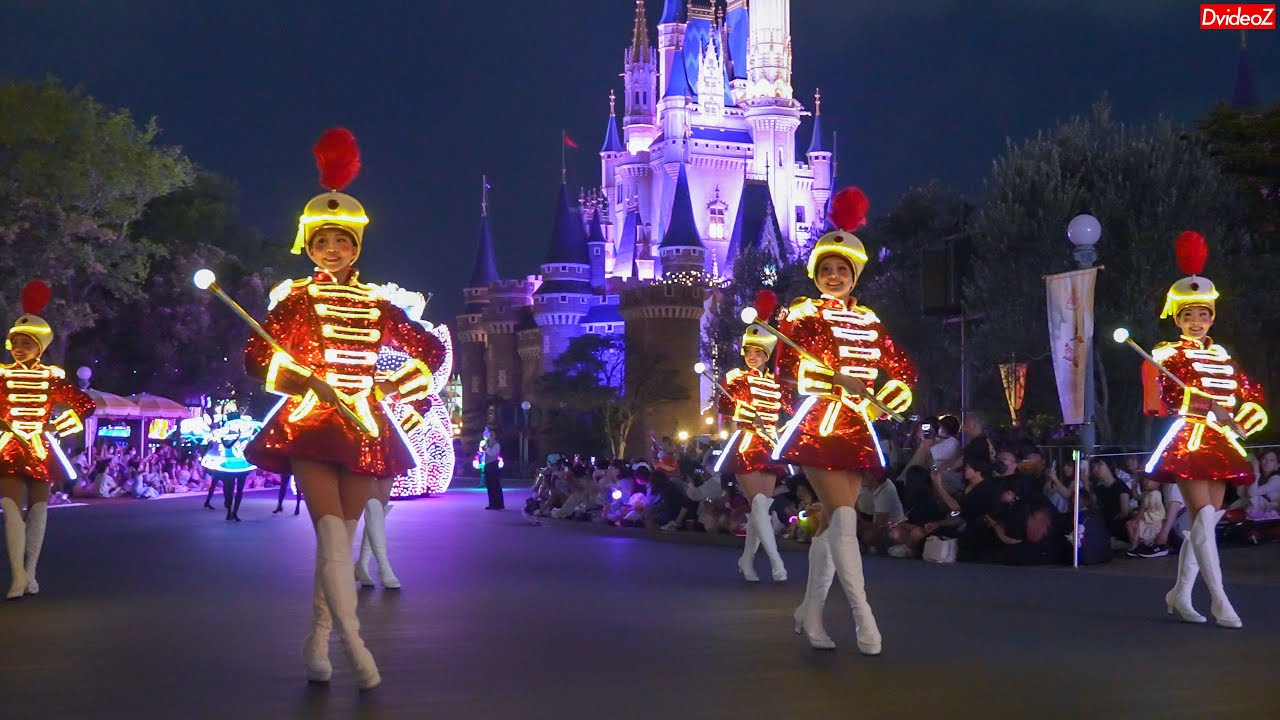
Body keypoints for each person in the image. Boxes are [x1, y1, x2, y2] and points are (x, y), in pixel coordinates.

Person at [241, 129, 446, 688]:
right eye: (322, 242)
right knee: (332, 538)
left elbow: (428, 349)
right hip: (312, 425)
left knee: (343, 543)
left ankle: (316, 639)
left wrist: (389, 391)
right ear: (308, 246)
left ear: (356, 247)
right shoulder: (295, 300)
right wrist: (306, 381)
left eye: (343, 242)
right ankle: (356, 648)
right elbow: (257, 355)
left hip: (363, 428)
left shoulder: (377, 303)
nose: (332, 251)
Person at [773, 187, 917, 654]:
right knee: (846, 521)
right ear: (816, 273)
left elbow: (904, 372)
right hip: (818, 425)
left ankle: (810, 614)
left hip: (856, 428)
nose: (834, 276)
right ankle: (864, 619)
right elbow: (786, 369)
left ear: (854, 275)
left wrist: (879, 400)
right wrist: (836, 380)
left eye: (842, 269)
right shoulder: (800, 314)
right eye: (827, 269)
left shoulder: (871, 321)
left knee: (832, 528)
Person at [1146, 231, 1267, 629]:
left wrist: (1245, 413)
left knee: (1208, 520)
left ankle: (1179, 594)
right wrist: (1207, 404)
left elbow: (1251, 391)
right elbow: (1169, 395)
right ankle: (1219, 600)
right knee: (1201, 520)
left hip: (1221, 441)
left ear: (1211, 317)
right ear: (1177, 318)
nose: (1196, 322)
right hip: (1190, 441)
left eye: (1203, 315)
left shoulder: (1222, 355)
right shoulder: (1168, 354)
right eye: (1188, 315)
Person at [0, 281, 96, 599]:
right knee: (11, 509)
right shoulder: (2, 375)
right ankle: (16, 575)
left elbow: (85, 403)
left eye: (27, 343)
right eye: (16, 342)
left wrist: (65, 422)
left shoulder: (52, 377)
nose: (20, 348)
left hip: (41, 448)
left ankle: (31, 572)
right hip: (10, 446)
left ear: (39, 346)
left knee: (39, 512)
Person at [715, 324, 792, 582]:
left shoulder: (776, 382)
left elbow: (788, 409)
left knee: (761, 509)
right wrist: (749, 414)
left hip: (770, 444)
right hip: (746, 442)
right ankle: (776, 562)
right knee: (759, 505)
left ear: (767, 356)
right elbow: (725, 406)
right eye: (749, 351)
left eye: (758, 353)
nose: (752, 356)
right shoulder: (735, 377)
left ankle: (746, 560)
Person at [482, 427, 504, 510]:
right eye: (490, 434)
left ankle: (498, 504)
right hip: (488, 465)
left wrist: (486, 448)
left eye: (492, 434)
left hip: (493, 466)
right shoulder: (488, 443)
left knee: (495, 485)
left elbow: (492, 454)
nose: (490, 436)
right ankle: (492, 503)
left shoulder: (496, 445)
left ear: (495, 436)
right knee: (489, 486)